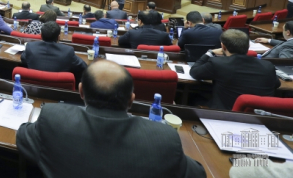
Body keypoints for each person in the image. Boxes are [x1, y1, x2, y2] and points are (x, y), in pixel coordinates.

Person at [16, 60, 206, 178]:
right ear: (131, 100)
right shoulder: (164, 139)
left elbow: (22, 136)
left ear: (81, 91)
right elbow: (198, 173)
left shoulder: (53, 117)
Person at [190, 29, 281, 110]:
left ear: (223, 46)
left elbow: (194, 72)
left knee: (193, 98)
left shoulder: (218, 63)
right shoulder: (268, 66)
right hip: (260, 118)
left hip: (225, 114)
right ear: (248, 46)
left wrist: (209, 53)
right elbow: (276, 84)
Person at [21, 21, 87, 84]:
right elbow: (83, 66)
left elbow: (23, 59)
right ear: (58, 37)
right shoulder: (67, 51)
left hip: (32, 90)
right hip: (60, 92)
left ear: (41, 35)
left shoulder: (30, 46)